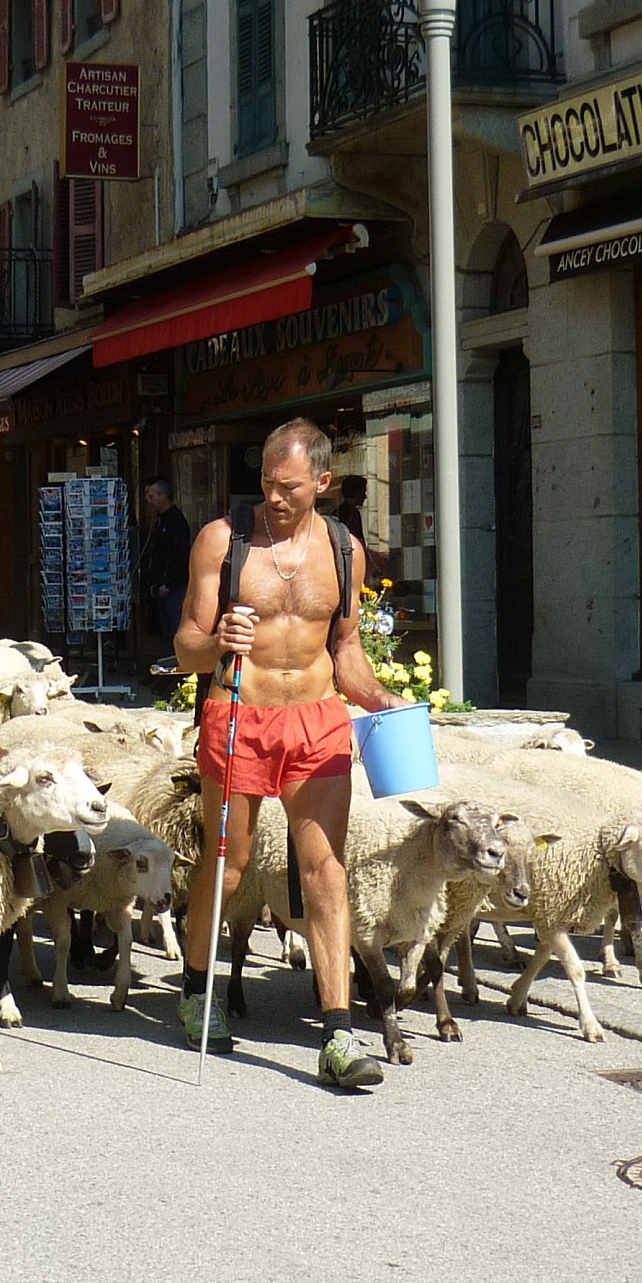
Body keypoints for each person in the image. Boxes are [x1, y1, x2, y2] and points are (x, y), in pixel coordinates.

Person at [173, 417, 403, 1091]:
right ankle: (196, 990)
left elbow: (346, 648)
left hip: (318, 722)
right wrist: (218, 640)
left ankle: (337, 1033)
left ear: (323, 483)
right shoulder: (224, 541)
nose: (274, 498)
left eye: (290, 487)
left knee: (325, 872)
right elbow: (186, 645)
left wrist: (380, 701)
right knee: (231, 867)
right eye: (268, 485)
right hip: (238, 714)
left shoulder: (344, 550)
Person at [138, 478, 190, 641]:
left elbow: (180, 555)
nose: (148, 501)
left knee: (175, 629)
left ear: (163, 496)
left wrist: (169, 583)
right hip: (161, 586)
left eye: (152, 496)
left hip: (172, 587)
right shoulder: (161, 520)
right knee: (166, 631)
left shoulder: (176, 521)